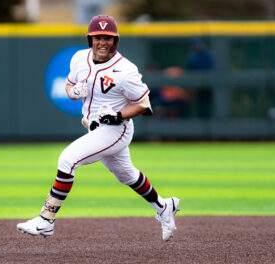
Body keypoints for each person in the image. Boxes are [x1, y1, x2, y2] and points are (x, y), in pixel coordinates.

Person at [17, 15, 180, 241]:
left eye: (107, 38)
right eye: (97, 37)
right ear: (90, 39)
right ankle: (164, 206)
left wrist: (118, 115)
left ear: (115, 41)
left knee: (67, 160)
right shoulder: (79, 58)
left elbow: (144, 103)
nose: (102, 42)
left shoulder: (125, 70)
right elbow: (70, 84)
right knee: (127, 175)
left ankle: (46, 219)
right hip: (94, 128)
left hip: (117, 130)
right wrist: (72, 92)